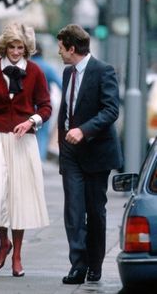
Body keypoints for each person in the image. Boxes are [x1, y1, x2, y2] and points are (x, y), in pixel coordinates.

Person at [0, 22, 52, 277]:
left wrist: (30, 121)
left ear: (27, 49)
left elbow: (46, 107)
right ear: (5, 46)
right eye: (12, 47)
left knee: (20, 199)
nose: (16, 52)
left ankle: (17, 255)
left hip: (23, 141)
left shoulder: (35, 71)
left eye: (20, 48)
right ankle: (4, 241)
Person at [57, 24, 123, 285]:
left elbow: (110, 111)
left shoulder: (103, 71)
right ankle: (78, 266)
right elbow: (67, 107)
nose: (60, 52)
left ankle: (94, 265)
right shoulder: (66, 73)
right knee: (73, 210)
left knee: (95, 211)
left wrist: (83, 131)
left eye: (61, 48)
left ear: (72, 48)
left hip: (96, 151)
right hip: (71, 152)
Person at [31, 42, 62, 162]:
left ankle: (29, 162)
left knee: (27, 134)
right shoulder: (48, 68)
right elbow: (61, 85)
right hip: (43, 106)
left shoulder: (26, 66)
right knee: (42, 135)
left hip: (26, 105)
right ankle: (39, 162)